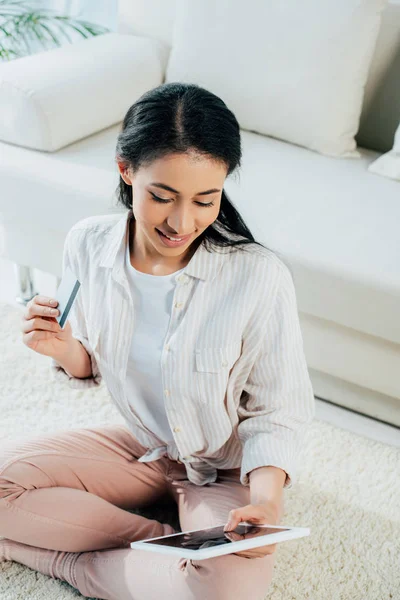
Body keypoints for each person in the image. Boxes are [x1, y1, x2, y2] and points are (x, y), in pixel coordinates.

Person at [0, 82, 315, 600]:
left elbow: (278, 412)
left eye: (204, 200)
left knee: (230, 591)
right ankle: (170, 546)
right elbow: (94, 363)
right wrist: (64, 350)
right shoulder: (89, 242)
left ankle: (60, 557)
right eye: (161, 196)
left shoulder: (257, 276)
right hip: (143, 445)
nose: (181, 221)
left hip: (223, 468)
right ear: (126, 170)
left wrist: (267, 504)